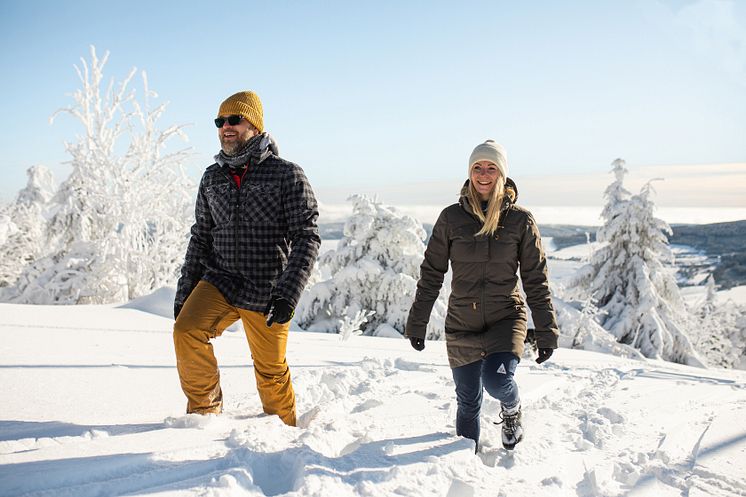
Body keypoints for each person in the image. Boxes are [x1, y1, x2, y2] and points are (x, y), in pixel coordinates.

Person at [173, 90, 320, 426]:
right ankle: (203, 416)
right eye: (220, 121)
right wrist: (185, 293)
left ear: (254, 125)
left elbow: (307, 236)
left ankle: (284, 432)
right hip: (219, 280)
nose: (226, 126)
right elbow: (201, 237)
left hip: (266, 286)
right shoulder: (212, 177)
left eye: (234, 120)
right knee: (186, 331)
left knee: (270, 370)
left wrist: (288, 293)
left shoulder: (286, 174)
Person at [405, 140, 559, 451]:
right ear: (469, 172)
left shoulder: (520, 220)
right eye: (477, 167)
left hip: (506, 318)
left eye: (491, 167)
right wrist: (417, 322)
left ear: (502, 173)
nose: (484, 174)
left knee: (497, 381)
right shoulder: (451, 218)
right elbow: (432, 272)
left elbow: (535, 279)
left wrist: (546, 331)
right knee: (467, 404)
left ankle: (512, 410)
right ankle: (463, 470)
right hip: (463, 322)